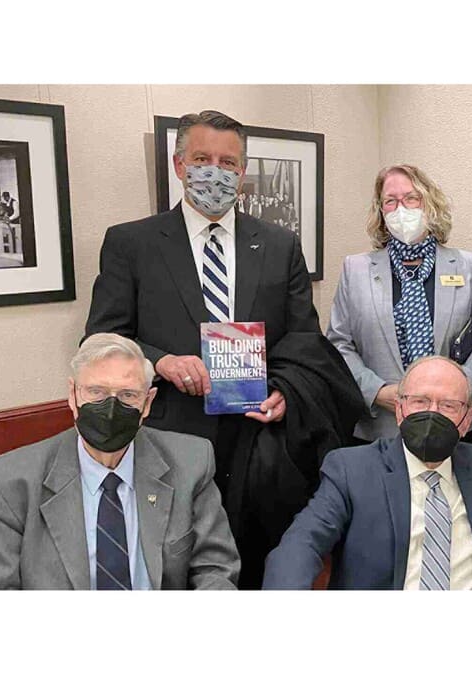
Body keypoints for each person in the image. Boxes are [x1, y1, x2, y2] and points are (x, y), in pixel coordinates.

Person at [84, 110, 364, 588]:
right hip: (169, 440)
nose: (215, 172)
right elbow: (101, 340)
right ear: (179, 165)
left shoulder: (278, 244)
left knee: (254, 571)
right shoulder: (131, 243)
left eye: (229, 162)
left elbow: (303, 339)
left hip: (259, 446)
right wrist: (160, 362)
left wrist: (287, 393)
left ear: (243, 172)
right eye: (202, 158)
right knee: (171, 571)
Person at [262, 356, 472, 590]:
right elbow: (301, 545)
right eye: (419, 402)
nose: (432, 413)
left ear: (467, 420)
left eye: (448, 405)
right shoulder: (352, 471)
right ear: (401, 410)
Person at [0, 333, 240, 590]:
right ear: (73, 395)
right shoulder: (9, 484)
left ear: (147, 403)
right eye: (96, 392)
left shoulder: (190, 463)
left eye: (128, 395)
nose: (111, 408)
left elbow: (215, 569)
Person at [327, 164, 472, 442]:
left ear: (429, 204)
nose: (400, 209)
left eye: (411, 198)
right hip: (381, 425)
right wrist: (378, 392)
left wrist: (454, 389)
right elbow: (338, 344)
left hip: (454, 421)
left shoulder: (468, 266)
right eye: (390, 201)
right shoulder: (355, 269)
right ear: (381, 211)